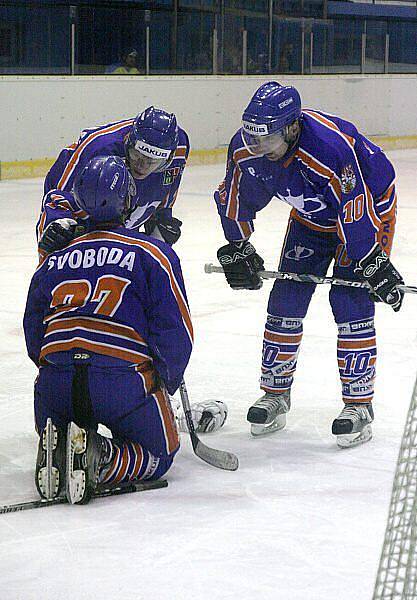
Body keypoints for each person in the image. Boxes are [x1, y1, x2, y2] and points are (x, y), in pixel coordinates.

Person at [24, 157, 224, 504]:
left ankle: (57, 446)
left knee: (63, 391)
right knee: (159, 454)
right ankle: (100, 457)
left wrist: (53, 370)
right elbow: (176, 331)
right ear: (128, 199)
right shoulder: (152, 253)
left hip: (55, 386)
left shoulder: (53, 260)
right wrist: (164, 380)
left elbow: (32, 330)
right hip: (120, 383)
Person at [214, 81, 404, 448]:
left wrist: (373, 261)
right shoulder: (247, 149)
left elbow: (356, 207)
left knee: (349, 302)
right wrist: (237, 245)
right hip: (312, 217)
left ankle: (359, 405)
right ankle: (275, 395)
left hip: (369, 211)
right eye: (253, 137)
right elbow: (235, 196)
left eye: (266, 138)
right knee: (286, 297)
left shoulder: (330, 148)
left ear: (291, 127)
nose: (257, 147)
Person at [38, 106, 189, 256]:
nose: (142, 166)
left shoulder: (180, 147)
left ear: (168, 159)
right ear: (129, 142)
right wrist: (58, 222)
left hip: (124, 210)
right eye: (137, 155)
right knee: (57, 241)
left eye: (152, 162)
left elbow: (165, 191)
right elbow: (58, 199)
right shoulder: (98, 147)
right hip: (84, 201)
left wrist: (161, 222)